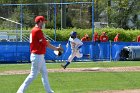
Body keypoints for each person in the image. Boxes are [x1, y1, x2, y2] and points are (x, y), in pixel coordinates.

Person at [17, 16, 62, 93]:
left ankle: (49, 91)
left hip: (38, 56)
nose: (44, 23)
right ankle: (20, 91)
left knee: (44, 73)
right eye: (43, 21)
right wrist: (56, 49)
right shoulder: (37, 30)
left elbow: (42, 42)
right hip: (37, 55)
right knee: (33, 75)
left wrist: (46, 42)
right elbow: (46, 44)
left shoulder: (34, 30)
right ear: (40, 21)